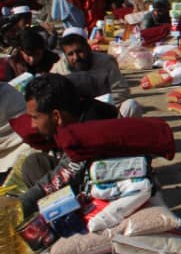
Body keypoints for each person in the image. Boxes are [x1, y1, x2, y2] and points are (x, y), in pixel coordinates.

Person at [12, 74, 117, 214]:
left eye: (35, 117)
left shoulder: (87, 132)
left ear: (56, 116)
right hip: (81, 175)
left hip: (103, 188)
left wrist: (17, 207)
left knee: (37, 197)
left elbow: (62, 176)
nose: (33, 125)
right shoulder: (76, 116)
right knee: (34, 163)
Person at [53, 31, 142, 117]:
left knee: (131, 105)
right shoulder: (58, 70)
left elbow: (121, 91)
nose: (76, 57)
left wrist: (100, 105)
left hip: (108, 110)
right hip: (78, 116)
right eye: (70, 54)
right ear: (65, 56)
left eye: (79, 51)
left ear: (88, 48)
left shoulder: (106, 62)